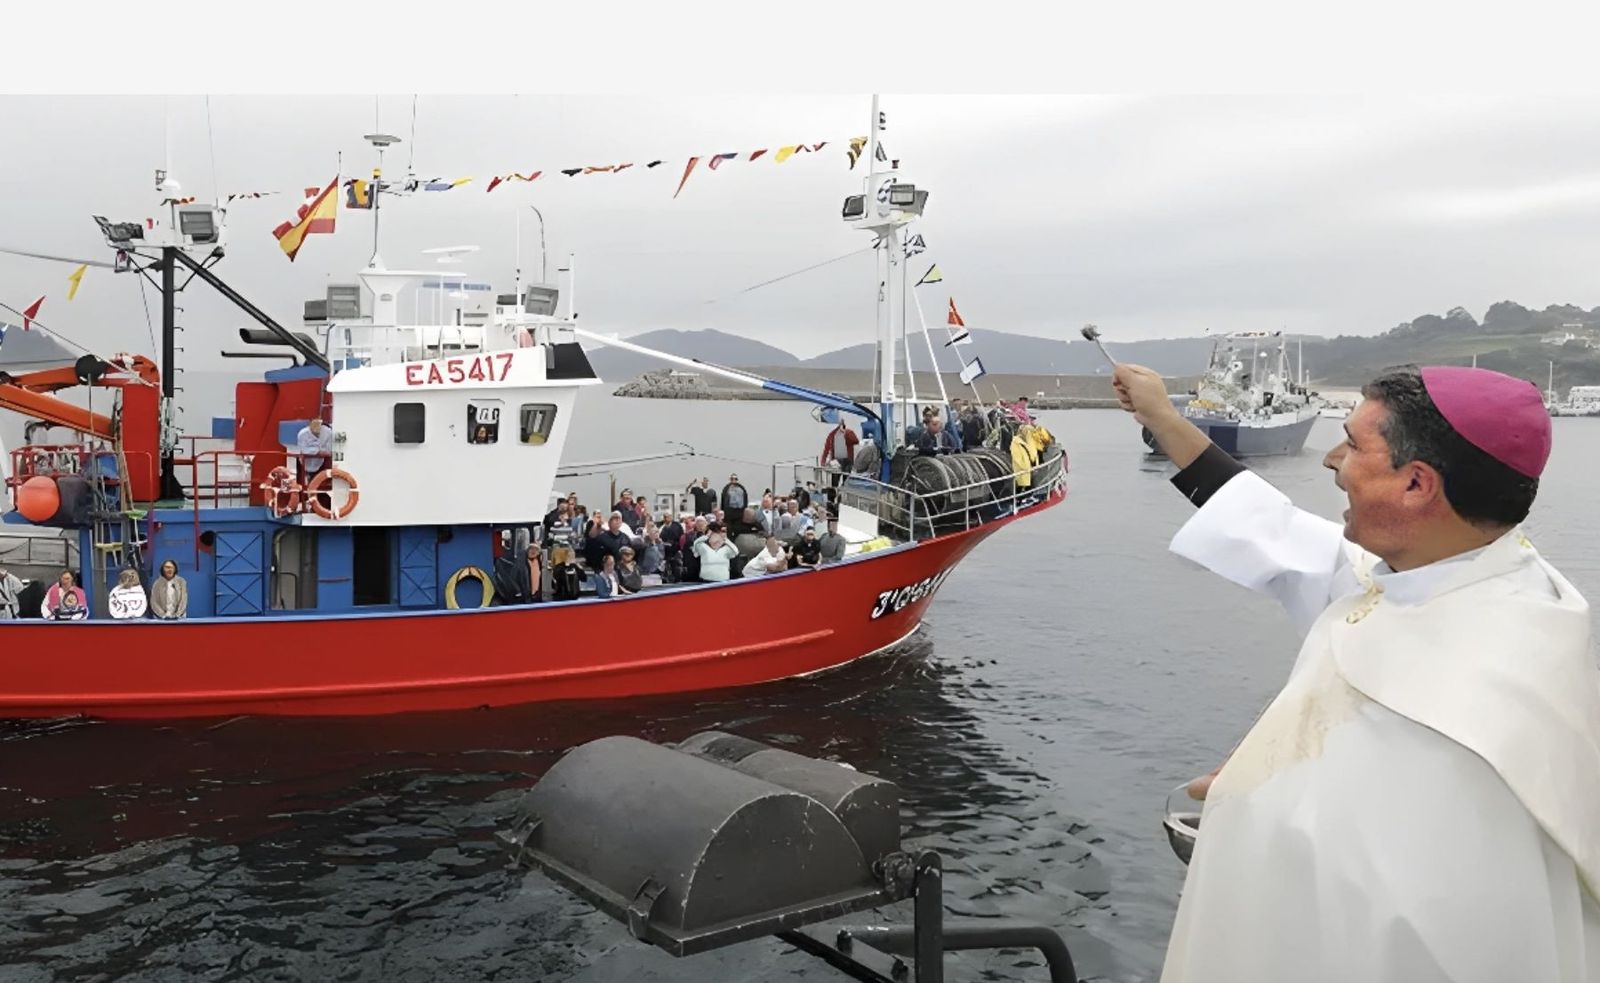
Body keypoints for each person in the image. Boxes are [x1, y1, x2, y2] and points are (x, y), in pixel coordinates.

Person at [1113, 360, 1600, 983]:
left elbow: (1412, 913)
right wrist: (1164, 419)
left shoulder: (1488, 699)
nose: (1331, 459)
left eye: (1353, 442)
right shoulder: (1451, 573)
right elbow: (1274, 529)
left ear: (1417, 485)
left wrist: (1258, 780)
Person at [295, 416, 334, 487]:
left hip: (321, 464)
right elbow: (303, 449)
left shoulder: (328, 433)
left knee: (320, 485)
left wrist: (324, 452)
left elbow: (329, 451)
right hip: (304, 464)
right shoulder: (302, 434)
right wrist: (318, 451)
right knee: (302, 485)